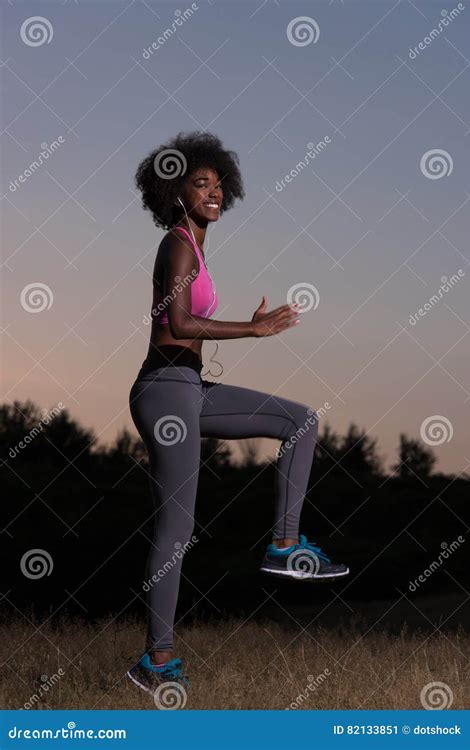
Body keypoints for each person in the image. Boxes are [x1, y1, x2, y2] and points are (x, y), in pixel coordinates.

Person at [127, 131, 349, 695]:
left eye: (220, 186)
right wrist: (253, 328)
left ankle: (284, 545)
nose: (214, 194)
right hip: (164, 389)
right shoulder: (177, 243)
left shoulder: (198, 249)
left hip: (189, 387)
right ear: (173, 192)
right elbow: (177, 324)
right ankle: (157, 659)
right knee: (177, 526)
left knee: (299, 420)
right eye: (200, 184)